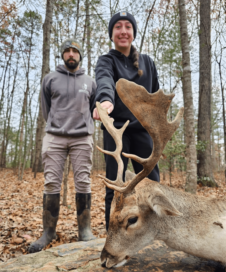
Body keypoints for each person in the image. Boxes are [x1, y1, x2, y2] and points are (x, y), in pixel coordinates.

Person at [93, 12, 160, 231]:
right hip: (116, 132)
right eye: (118, 27)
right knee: (116, 187)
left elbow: (156, 96)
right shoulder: (106, 60)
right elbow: (104, 81)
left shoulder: (147, 62)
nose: (123, 31)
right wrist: (105, 101)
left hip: (144, 131)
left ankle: (154, 234)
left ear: (133, 33)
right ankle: (112, 239)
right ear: (112, 34)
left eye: (128, 27)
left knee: (152, 186)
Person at [29, 38, 96, 253]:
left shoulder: (90, 81)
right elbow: (46, 108)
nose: (71, 54)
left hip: (82, 137)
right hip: (55, 137)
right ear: (62, 55)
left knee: (83, 183)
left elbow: (93, 109)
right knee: (51, 184)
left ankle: (84, 230)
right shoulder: (50, 79)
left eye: (75, 51)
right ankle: (49, 232)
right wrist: (57, 126)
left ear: (80, 55)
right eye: (67, 51)